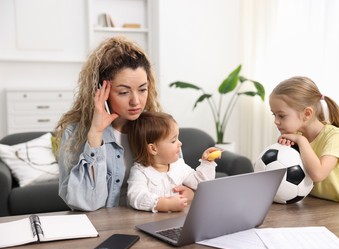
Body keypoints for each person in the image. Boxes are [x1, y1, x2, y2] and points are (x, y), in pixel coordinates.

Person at [54, 36, 194, 211]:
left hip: (154, 223)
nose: (136, 101)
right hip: (104, 230)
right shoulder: (76, 133)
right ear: (100, 92)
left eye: (143, 89)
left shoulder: (155, 129)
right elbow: (86, 204)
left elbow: (180, 179)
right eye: (123, 92)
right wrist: (96, 135)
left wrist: (189, 192)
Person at [269, 76, 339, 212]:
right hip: (316, 207)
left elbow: (318, 174)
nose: (276, 121)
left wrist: (301, 142)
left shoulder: (335, 136)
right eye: (274, 115)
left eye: (281, 115)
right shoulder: (296, 135)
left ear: (307, 113)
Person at [127, 111, 220, 213]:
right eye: (173, 141)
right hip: (151, 223)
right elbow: (135, 196)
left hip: (176, 220)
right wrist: (165, 204)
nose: (180, 143)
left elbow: (200, 183)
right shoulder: (140, 172)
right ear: (153, 149)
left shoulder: (178, 166)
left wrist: (207, 162)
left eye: (178, 138)